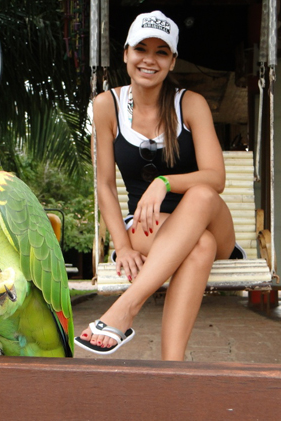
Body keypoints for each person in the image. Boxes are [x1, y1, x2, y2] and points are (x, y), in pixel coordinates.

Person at [75, 11, 245, 361]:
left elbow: (216, 178)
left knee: (200, 195)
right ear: (125, 54)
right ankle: (173, 368)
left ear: (172, 61)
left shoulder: (191, 104)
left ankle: (126, 308)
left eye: (161, 52)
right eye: (141, 48)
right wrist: (121, 248)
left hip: (210, 217)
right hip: (147, 228)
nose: (149, 59)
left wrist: (164, 183)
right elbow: (105, 186)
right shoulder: (107, 106)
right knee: (200, 245)